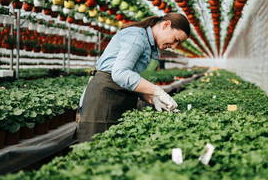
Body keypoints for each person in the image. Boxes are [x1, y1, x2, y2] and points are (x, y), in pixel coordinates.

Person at [76, 13, 190, 142]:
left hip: (123, 97)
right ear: (166, 25)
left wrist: (152, 98)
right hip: (104, 96)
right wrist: (157, 90)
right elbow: (120, 73)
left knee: (116, 147)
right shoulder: (136, 37)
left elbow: (132, 80)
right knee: (96, 146)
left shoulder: (153, 49)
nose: (174, 46)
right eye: (176, 39)